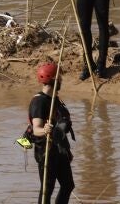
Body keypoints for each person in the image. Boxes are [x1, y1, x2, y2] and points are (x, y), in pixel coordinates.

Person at [29, 62, 75, 204]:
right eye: (59, 77)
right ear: (53, 79)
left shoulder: (56, 99)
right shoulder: (39, 101)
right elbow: (36, 128)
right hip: (46, 151)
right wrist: (45, 130)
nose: (61, 79)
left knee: (68, 185)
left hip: (59, 150)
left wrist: (67, 150)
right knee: (47, 189)